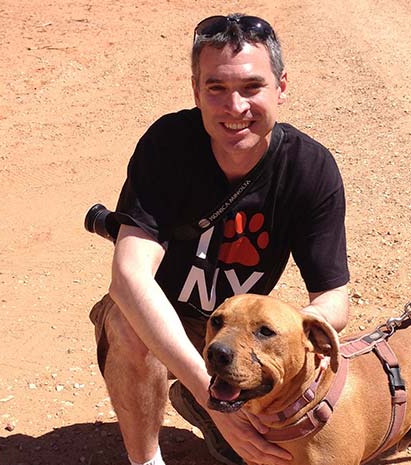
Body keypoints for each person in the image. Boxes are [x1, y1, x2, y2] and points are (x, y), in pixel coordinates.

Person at [89, 13, 350, 465]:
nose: (235, 107)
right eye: (217, 89)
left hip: (240, 337)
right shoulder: (167, 145)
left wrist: (299, 329)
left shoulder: (310, 168)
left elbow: (333, 296)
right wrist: (203, 382)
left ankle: (208, 406)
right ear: (196, 91)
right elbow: (130, 276)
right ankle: (147, 459)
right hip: (168, 320)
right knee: (128, 323)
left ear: (281, 87)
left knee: (259, 453)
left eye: (252, 87)